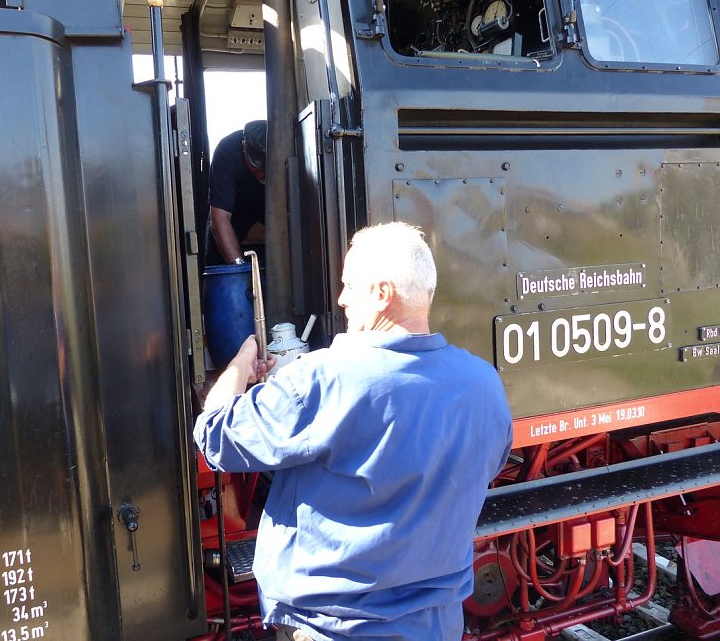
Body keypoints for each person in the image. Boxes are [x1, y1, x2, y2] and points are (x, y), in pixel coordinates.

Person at [194, 221, 513, 640]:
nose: (341, 299)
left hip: (334, 627)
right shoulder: (485, 383)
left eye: (349, 286)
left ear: (382, 293)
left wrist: (241, 361)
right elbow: (489, 465)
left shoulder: (322, 380)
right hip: (436, 625)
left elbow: (216, 435)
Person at [204, 119, 267, 266]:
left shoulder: (284, 143)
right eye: (256, 169)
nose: (262, 175)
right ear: (244, 147)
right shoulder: (227, 151)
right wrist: (239, 268)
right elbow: (220, 219)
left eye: (265, 170)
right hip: (236, 208)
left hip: (273, 206)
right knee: (216, 256)